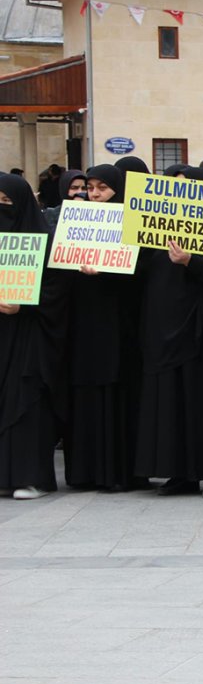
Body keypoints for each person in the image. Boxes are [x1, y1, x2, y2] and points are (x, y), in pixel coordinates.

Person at [134, 167, 203, 498]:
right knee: (173, 402)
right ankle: (180, 471)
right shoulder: (153, 229)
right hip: (165, 327)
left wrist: (191, 261)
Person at [63, 165, 146, 493]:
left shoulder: (131, 223)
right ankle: (85, 471)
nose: (95, 194)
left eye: (102, 188)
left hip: (118, 326)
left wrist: (108, 271)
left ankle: (120, 471)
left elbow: (139, 275)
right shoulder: (76, 221)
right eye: (90, 188)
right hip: (85, 325)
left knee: (117, 392)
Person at [0, 174, 68, 499]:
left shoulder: (45, 241)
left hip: (30, 338)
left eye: (6, 202)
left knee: (26, 402)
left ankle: (30, 478)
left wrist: (25, 305)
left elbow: (57, 291)